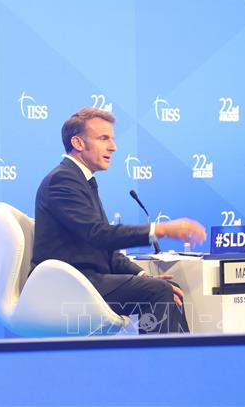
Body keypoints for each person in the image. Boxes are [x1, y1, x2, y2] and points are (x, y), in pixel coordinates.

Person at [33, 107, 206, 333]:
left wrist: (142, 274)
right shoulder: (63, 180)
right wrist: (161, 229)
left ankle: (178, 353)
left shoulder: (80, 180)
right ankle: (165, 355)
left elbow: (107, 250)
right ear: (78, 143)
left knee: (165, 287)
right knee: (158, 292)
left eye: (112, 139)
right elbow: (99, 235)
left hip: (86, 280)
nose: (113, 147)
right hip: (68, 285)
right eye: (103, 138)